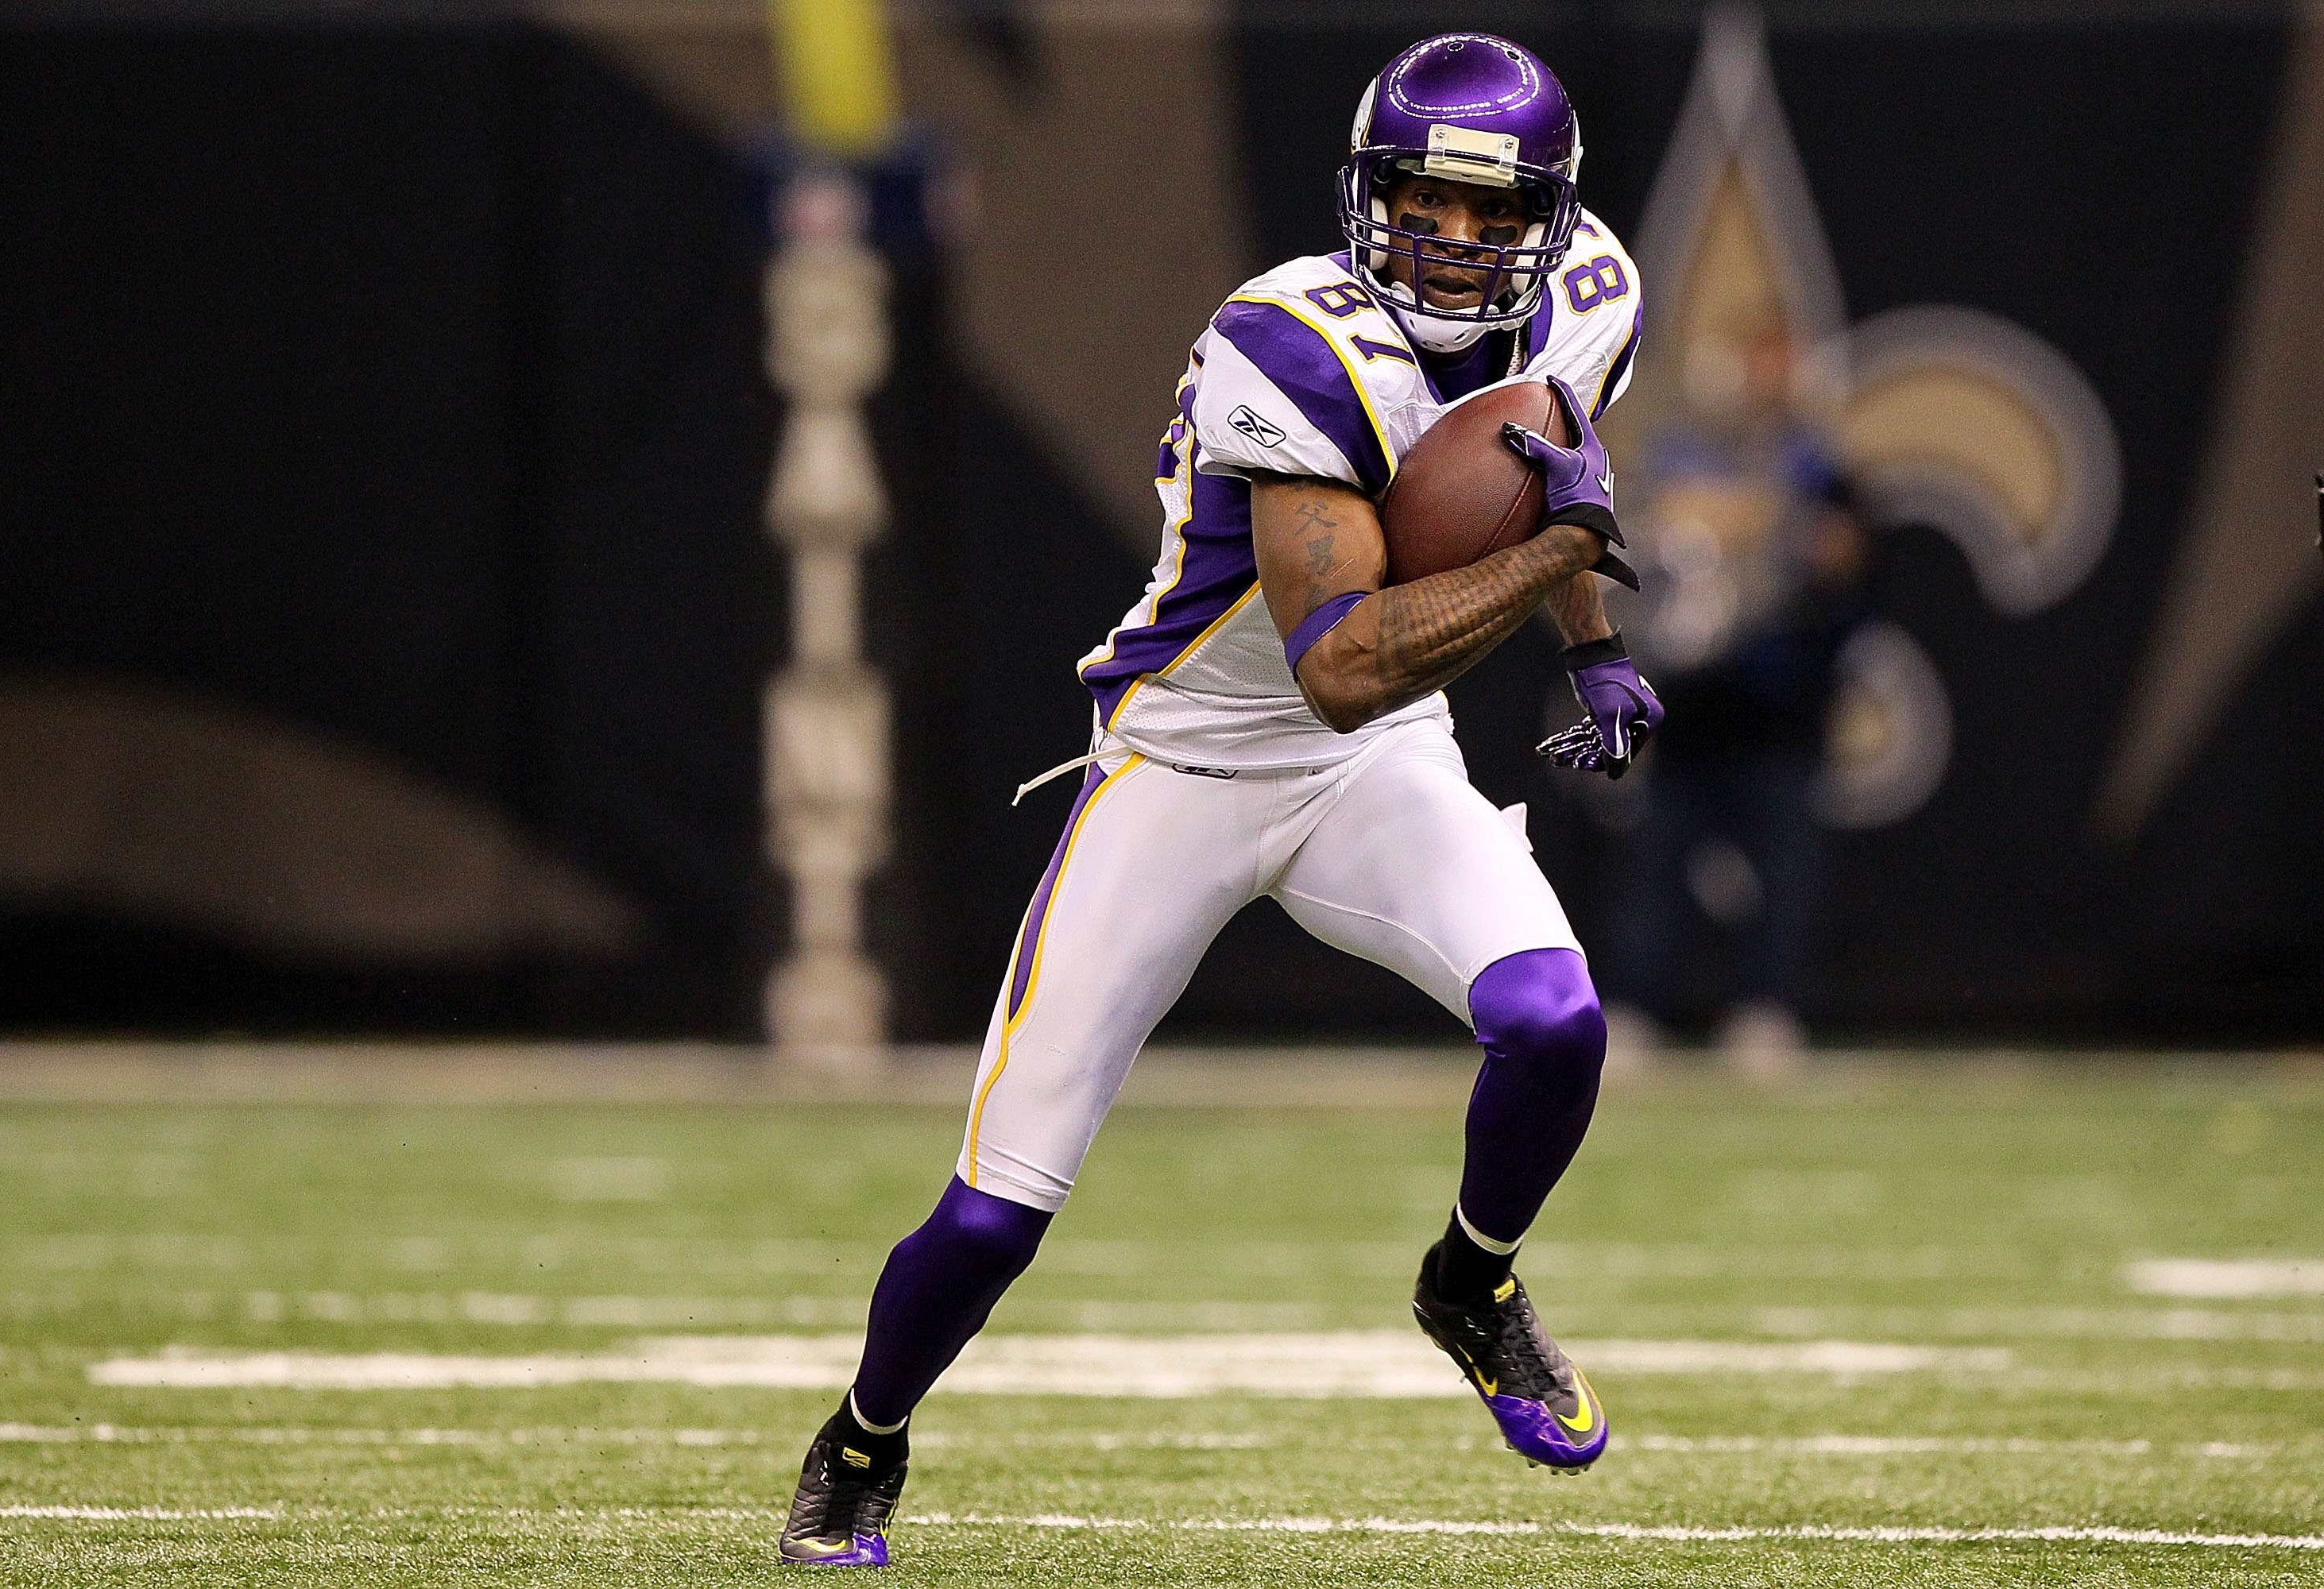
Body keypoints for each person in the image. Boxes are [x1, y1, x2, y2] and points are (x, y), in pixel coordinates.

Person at [778, 33, 1657, 1566]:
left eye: (1489, 212)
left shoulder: (1593, 301)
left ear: (1554, 220)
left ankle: (1472, 1279)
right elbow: (1346, 659)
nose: (1453, 239)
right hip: (1191, 758)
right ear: (1363, 194)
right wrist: (1563, 568)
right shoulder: (1292, 341)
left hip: (1372, 770)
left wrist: (1596, 648)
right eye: (1420, 202)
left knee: (1556, 1023)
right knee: (996, 1212)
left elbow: (1544, 469)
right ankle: (863, 1439)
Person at [1600, 315, 1871, 1066]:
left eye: (1782, 362)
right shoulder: (1678, 455)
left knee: (1784, 870)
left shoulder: (1818, 465)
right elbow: (1628, 554)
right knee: (1657, 862)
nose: (1768, 380)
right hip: (1688, 698)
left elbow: (1847, 568)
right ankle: (1637, 1003)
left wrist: (1805, 545)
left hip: (1779, 700)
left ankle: (1767, 1007)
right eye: (1758, 361)